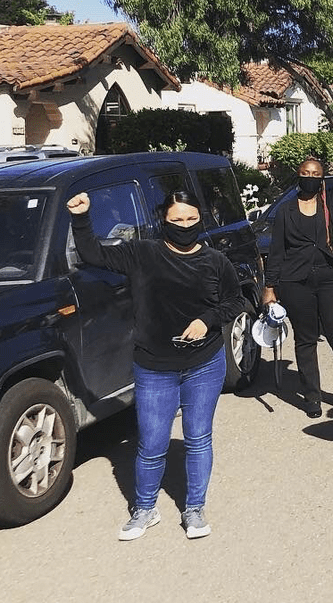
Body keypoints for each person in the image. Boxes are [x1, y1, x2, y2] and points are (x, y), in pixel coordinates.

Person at [68, 190, 242, 541]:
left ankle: (194, 508)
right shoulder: (142, 254)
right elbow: (92, 253)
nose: (184, 226)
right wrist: (81, 218)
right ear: (163, 219)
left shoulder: (214, 261)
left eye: (191, 219)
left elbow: (235, 300)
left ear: (201, 219)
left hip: (204, 364)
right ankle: (145, 509)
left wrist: (207, 321)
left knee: (198, 438)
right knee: (151, 442)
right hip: (154, 366)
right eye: (177, 220)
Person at [263, 158, 333, 419]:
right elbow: (277, 251)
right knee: (305, 340)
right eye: (305, 172)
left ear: (322, 177)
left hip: (331, 278)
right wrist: (270, 287)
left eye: (315, 173)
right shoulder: (285, 211)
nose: (310, 176)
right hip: (296, 282)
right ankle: (312, 398)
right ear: (299, 175)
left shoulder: (330, 202)